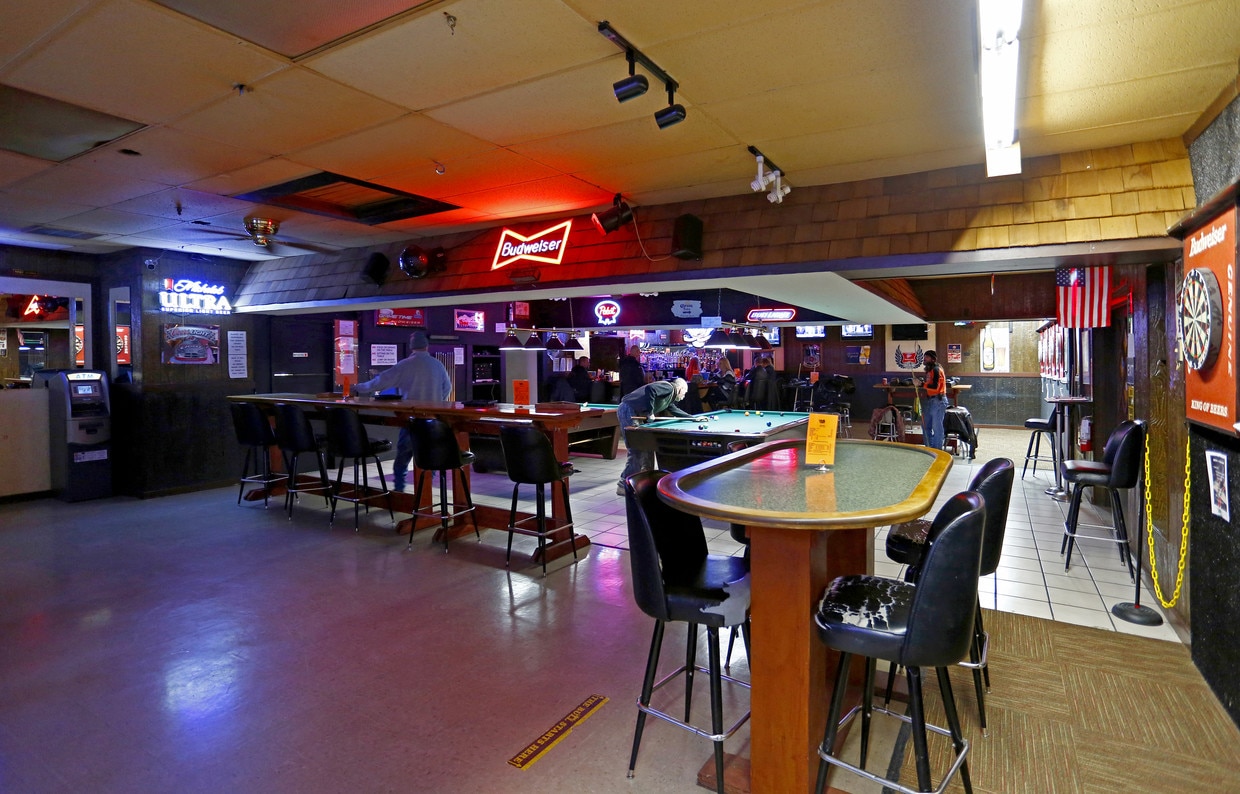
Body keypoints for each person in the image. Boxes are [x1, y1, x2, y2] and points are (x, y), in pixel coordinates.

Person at [351, 330, 452, 491]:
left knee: (403, 458)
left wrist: (357, 387)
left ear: (411, 346)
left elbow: (380, 382)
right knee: (428, 457)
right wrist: (436, 403)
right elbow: (447, 388)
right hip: (432, 422)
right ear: (427, 346)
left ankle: (399, 490)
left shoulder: (405, 365)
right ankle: (425, 490)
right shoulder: (437, 365)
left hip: (411, 420)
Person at [616, 378, 697, 495]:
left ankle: (645, 482)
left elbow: (675, 410)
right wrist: (650, 412)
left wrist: (693, 418)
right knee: (637, 449)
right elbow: (650, 389)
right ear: (680, 389)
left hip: (633, 411)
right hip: (628, 409)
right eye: (684, 393)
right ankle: (622, 485)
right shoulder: (669, 388)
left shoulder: (669, 398)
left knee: (647, 448)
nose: (684, 397)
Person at [919, 349, 949, 450]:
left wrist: (921, 384)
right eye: (924, 357)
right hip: (930, 400)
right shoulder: (929, 370)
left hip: (938, 401)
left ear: (933, 359)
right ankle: (929, 448)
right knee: (925, 425)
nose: (924, 359)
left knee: (937, 428)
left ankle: (937, 450)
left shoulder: (936, 370)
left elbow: (935, 387)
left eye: (927, 357)